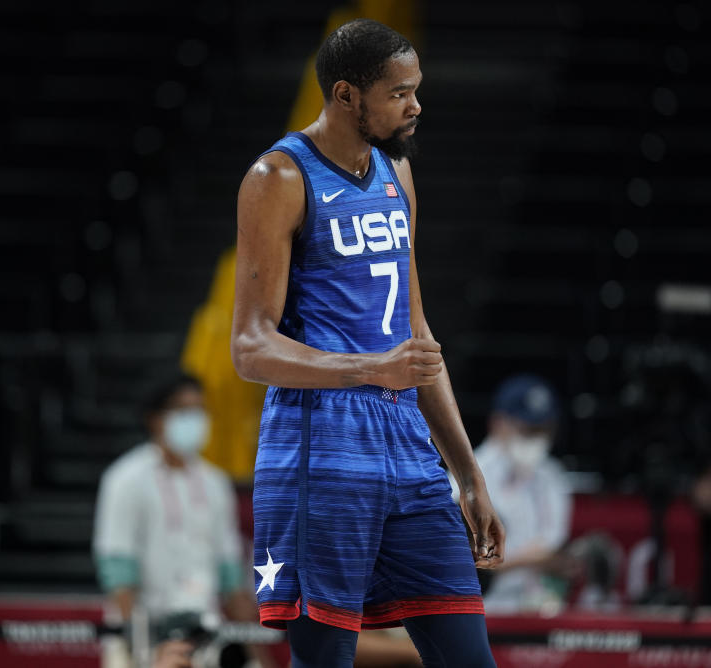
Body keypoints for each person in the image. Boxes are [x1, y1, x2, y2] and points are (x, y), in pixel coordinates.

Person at [230, 19, 505, 668]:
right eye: (398, 93)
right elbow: (248, 348)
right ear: (347, 95)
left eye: (416, 90)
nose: (415, 105)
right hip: (318, 451)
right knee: (325, 660)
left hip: (408, 453)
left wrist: (467, 475)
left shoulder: (396, 174)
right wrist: (371, 368)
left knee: (469, 658)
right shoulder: (279, 177)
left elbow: (417, 338)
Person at [93, 375, 276, 668]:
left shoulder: (215, 483)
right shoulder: (125, 479)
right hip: (142, 628)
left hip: (203, 632)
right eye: (183, 411)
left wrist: (260, 656)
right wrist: (139, 651)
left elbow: (230, 578)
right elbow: (119, 571)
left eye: (200, 411)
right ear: (155, 419)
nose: (195, 420)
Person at [453, 375, 573, 613]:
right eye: (527, 429)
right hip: (481, 608)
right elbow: (463, 558)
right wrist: (540, 560)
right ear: (498, 423)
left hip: (536, 608)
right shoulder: (467, 471)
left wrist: (498, 563)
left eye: (543, 430)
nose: (536, 439)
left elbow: (553, 545)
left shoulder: (553, 476)